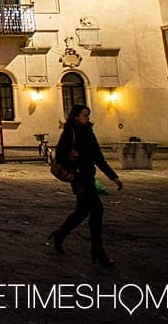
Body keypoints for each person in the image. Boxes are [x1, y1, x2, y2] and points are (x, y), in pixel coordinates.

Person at [47, 104, 124, 268]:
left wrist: (113, 177)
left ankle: (60, 234)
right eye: (84, 115)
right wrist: (72, 163)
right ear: (76, 116)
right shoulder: (70, 133)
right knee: (97, 209)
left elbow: (98, 157)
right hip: (79, 178)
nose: (87, 118)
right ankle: (97, 249)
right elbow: (60, 155)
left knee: (82, 212)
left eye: (88, 115)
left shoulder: (89, 133)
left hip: (88, 175)